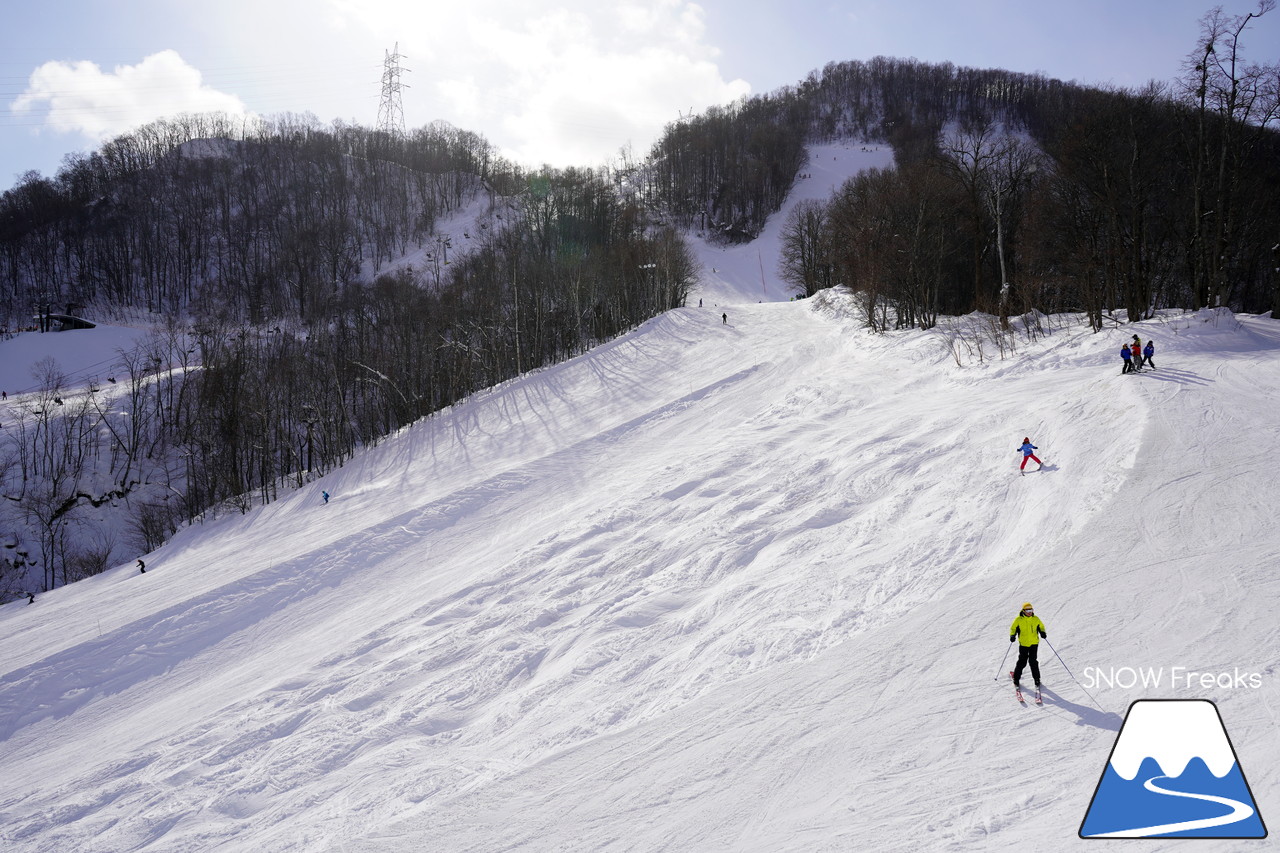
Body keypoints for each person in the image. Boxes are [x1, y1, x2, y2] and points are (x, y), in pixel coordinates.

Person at [1010, 602, 1047, 689]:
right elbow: (1013, 628)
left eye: (1031, 610)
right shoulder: (1019, 619)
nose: (1030, 612)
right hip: (1024, 644)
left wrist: (1042, 632)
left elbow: (1041, 626)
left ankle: (1037, 679)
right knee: (1022, 662)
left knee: (1033, 662)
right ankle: (1016, 678)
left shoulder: (1036, 619)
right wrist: (1012, 635)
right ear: (1024, 611)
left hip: (1034, 643)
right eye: (1028, 610)